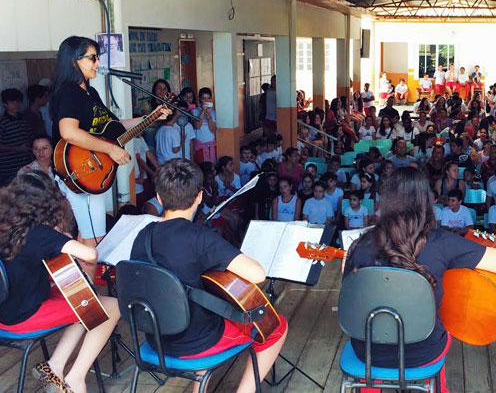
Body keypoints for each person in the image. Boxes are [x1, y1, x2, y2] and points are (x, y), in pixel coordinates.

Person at [343, 167, 496, 385]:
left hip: (367, 350)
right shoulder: (441, 241)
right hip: (423, 351)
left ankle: (369, 387)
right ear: (425, 201)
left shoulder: (361, 243)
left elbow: (349, 295)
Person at [130, 160, 287, 393]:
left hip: (156, 338)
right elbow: (257, 274)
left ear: (159, 198)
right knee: (275, 326)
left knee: (200, 311)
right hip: (197, 342)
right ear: (199, 197)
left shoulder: (144, 235)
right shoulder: (201, 237)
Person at [50, 37, 169, 268]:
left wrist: (150, 117)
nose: (97, 63)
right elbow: (69, 132)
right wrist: (111, 149)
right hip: (81, 171)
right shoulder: (69, 92)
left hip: (93, 173)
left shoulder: (90, 93)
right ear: (74, 61)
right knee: (95, 240)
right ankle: (90, 288)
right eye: (92, 58)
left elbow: (114, 127)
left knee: (87, 236)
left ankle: (81, 283)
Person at [0, 172, 121, 393]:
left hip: (4, 312)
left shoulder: (5, 225)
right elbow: (90, 254)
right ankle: (75, 379)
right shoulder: (39, 233)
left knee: (84, 301)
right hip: (25, 315)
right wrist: (62, 236)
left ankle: (54, 366)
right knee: (111, 306)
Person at [0, 87, 32, 185]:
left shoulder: (24, 120)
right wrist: (18, 149)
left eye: (18, 101)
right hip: (8, 168)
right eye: (12, 102)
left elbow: (30, 137)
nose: (16, 104)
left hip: (25, 165)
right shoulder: (2, 123)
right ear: (5, 104)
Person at [192, 87, 217, 163]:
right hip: (199, 146)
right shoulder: (194, 111)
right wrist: (203, 111)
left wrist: (209, 115)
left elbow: (213, 130)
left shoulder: (213, 112)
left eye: (208, 98)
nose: (206, 101)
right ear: (200, 99)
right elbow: (197, 126)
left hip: (212, 145)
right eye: (204, 98)